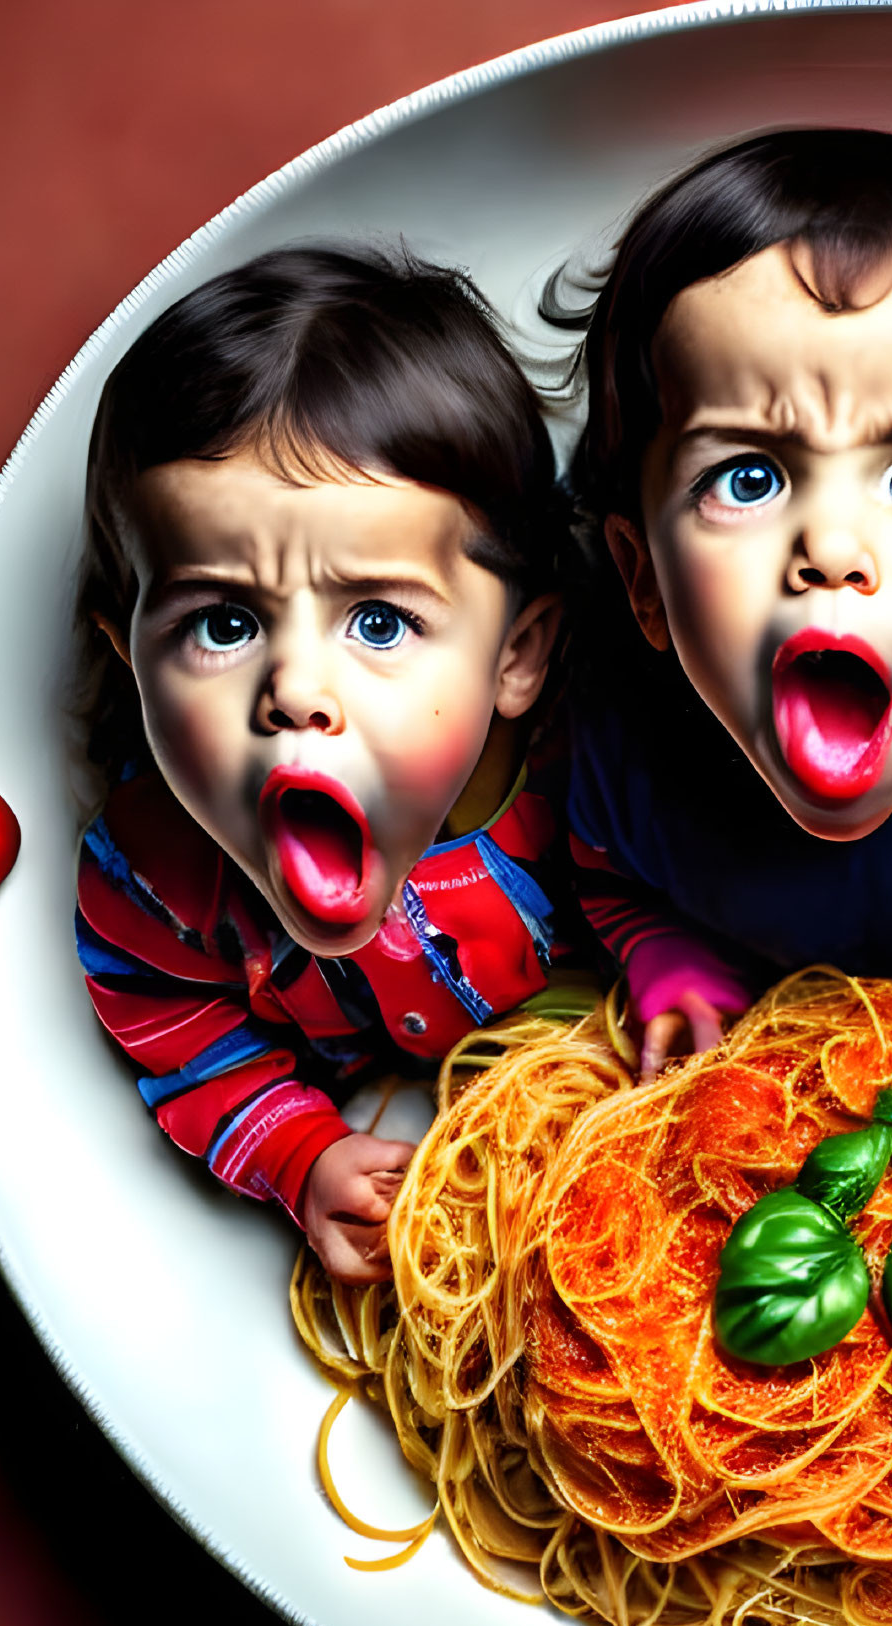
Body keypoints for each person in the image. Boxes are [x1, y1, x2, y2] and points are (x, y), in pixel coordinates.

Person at [73, 244, 576, 1282]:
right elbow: (173, 1023)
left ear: (514, 657)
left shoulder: (584, 782)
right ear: (131, 666)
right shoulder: (155, 882)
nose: (295, 689)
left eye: (381, 622)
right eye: (220, 624)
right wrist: (300, 1154)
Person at [553, 128, 892, 1078]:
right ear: (644, 581)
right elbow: (604, 864)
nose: (831, 549)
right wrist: (663, 952)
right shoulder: (625, 758)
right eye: (749, 479)